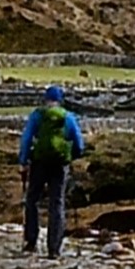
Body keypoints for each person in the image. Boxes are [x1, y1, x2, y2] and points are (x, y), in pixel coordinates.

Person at [17, 89, 89, 254]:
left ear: (45, 99)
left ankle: (31, 240)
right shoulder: (68, 117)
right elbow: (78, 142)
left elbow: (26, 138)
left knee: (32, 200)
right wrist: (72, 156)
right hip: (60, 164)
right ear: (60, 100)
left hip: (39, 162)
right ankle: (54, 247)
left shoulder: (37, 116)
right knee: (57, 202)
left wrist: (23, 161)